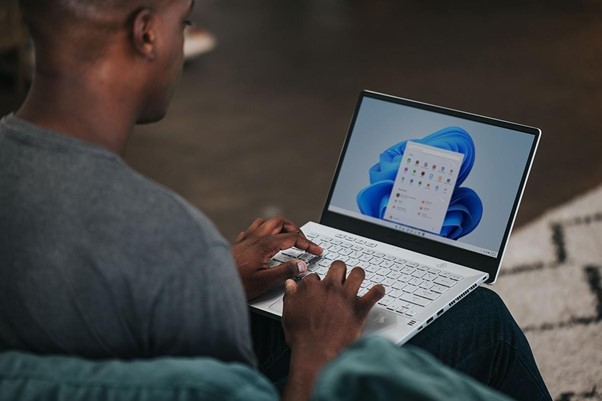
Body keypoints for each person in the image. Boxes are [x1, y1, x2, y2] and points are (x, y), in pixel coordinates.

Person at [0, 1, 552, 401]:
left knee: (280, 305)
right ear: (146, 33)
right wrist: (319, 349)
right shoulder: (166, 238)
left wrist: (218, 275)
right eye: (183, 21)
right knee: (482, 319)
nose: (181, 37)